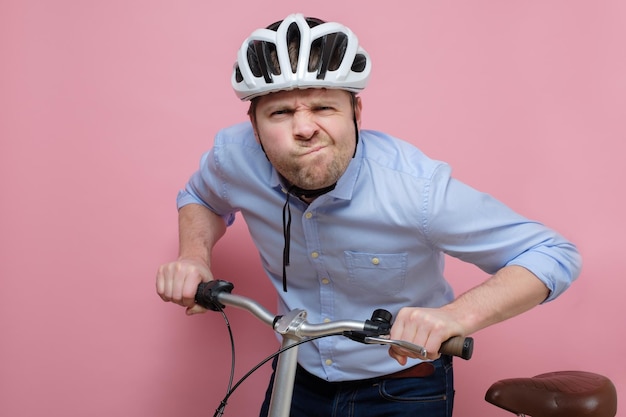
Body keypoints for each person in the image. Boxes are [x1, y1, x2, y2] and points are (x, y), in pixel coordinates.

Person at [156, 13, 582, 417]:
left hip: (404, 385)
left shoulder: (416, 188)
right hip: (295, 373)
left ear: (356, 113)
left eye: (324, 108)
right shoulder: (233, 158)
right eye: (281, 112)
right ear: (254, 125)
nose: (304, 129)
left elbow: (552, 253)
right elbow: (201, 197)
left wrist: (455, 316)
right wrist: (194, 255)